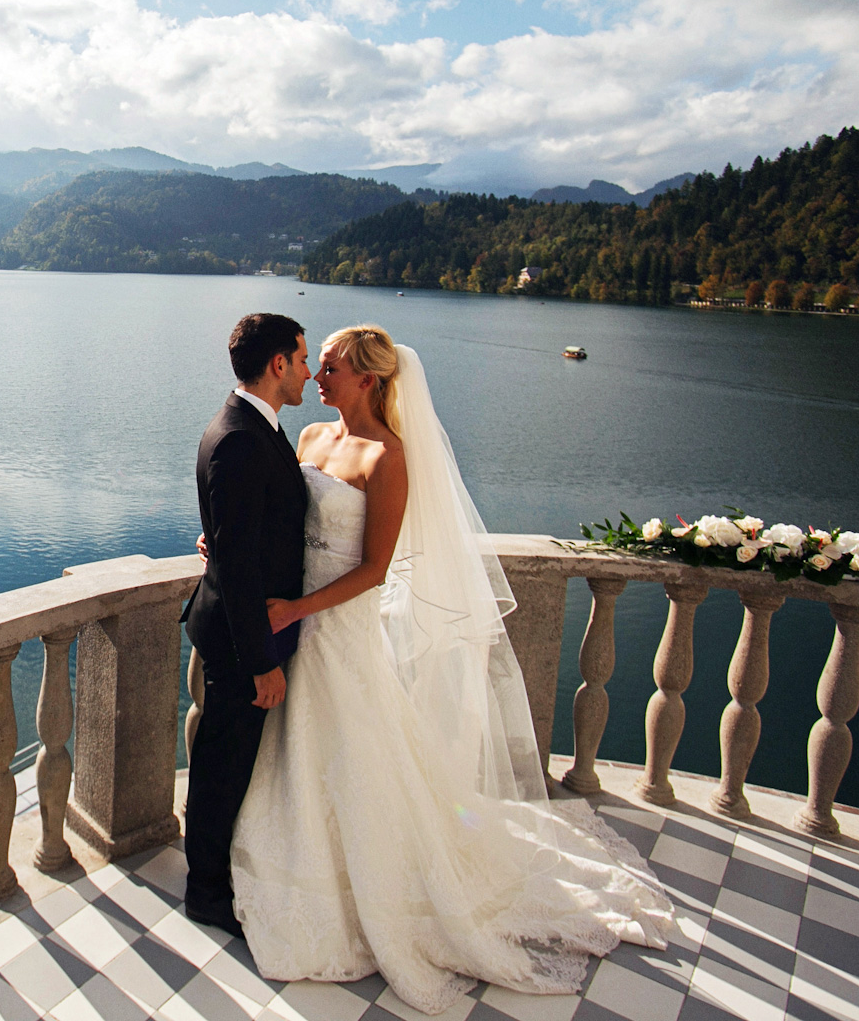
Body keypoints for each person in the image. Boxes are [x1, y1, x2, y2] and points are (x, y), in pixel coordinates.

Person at [220, 325, 675, 1015]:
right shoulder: (308, 439)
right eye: (318, 365)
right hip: (295, 627)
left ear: (367, 381)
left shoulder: (391, 458)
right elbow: (276, 520)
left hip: (337, 629)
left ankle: (377, 886)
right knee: (299, 754)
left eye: (332, 367)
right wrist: (222, 543)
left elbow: (375, 571)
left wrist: (297, 610)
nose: (319, 376)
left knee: (357, 754)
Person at [181, 313, 312, 937]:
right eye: (303, 359)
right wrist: (261, 661)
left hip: (245, 631)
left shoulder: (257, 427)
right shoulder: (239, 438)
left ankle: (217, 873)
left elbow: (241, 535)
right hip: (241, 643)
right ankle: (205, 892)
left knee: (227, 759)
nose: (310, 372)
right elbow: (235, 564)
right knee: (221, 765)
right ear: (278, 364)